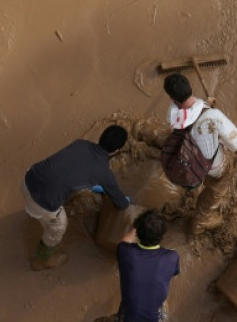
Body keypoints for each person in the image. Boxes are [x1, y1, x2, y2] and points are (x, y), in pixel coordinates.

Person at [23, 125, 130, 270]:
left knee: (59, 186)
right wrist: (125, 201)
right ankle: (42, 260)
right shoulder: (104, 174)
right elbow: (121, 203)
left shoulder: (81, 143)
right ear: (116, 151)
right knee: (58, 227)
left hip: (29, 177)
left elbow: (70, 169)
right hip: (41, 203)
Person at [163, 73, 237, 234]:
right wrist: (212, 113)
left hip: (185, 159)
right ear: (191, 88)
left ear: (172, 98)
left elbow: (190, 116)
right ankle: (200, 222)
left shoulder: (172, 113)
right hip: (212, 166)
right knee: (219, 185)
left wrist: (206, 106)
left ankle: (193, 186)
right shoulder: (212, 117)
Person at [95, 209, 180, 322]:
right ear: (162, 234)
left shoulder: (125, 251)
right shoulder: (172, 256)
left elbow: (127, 238)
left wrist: (136, 224)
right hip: (155, 319)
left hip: (127, 317)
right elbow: (173, 274)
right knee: (162, 300)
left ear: (138, 232)